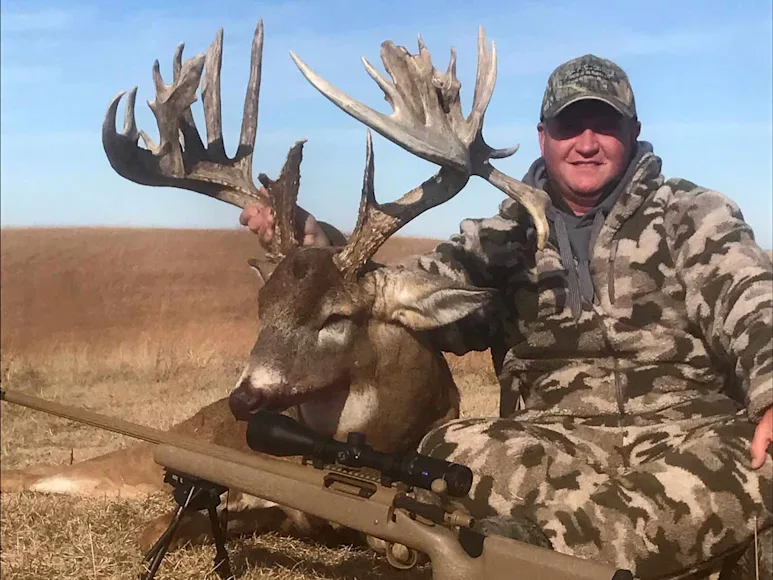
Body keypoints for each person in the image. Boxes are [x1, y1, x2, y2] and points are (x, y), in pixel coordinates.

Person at [240, 55, 773, 578]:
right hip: (550, 442)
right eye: (570, 126)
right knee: (453, 449)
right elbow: (390, 291)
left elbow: (751, 298)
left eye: (604, 125)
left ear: (632, 132)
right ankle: (671, 544)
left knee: (762, 457)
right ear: (544, 136)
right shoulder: (499, 238)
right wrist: (321, 251)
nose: (586, 143)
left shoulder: (694, 213)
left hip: (688, 431)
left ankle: (534, 551)